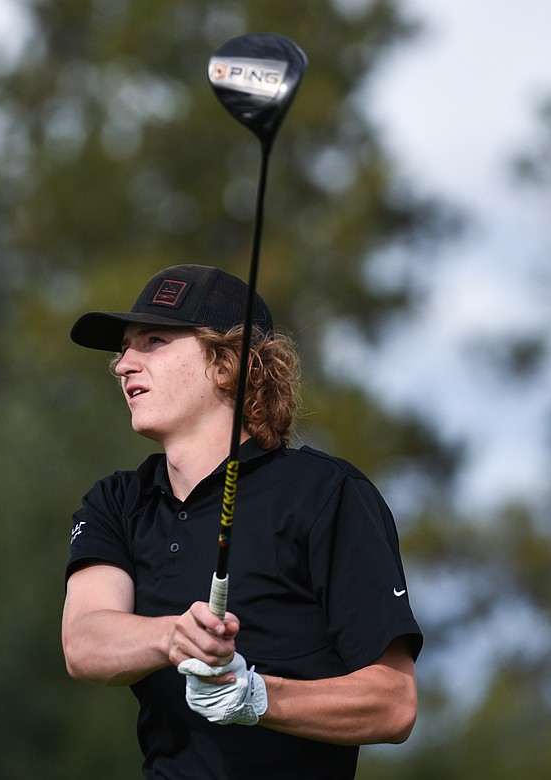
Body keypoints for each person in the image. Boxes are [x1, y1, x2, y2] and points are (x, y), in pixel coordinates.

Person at [62, 264, 423, 779]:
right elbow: (84, 642)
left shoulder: (326, 494)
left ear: (226, 363)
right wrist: (174, 638)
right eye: (124, 347)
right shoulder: (118, 502)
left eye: (154, 341)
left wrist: (255, 696)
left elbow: (394, 703)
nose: (123, 365)